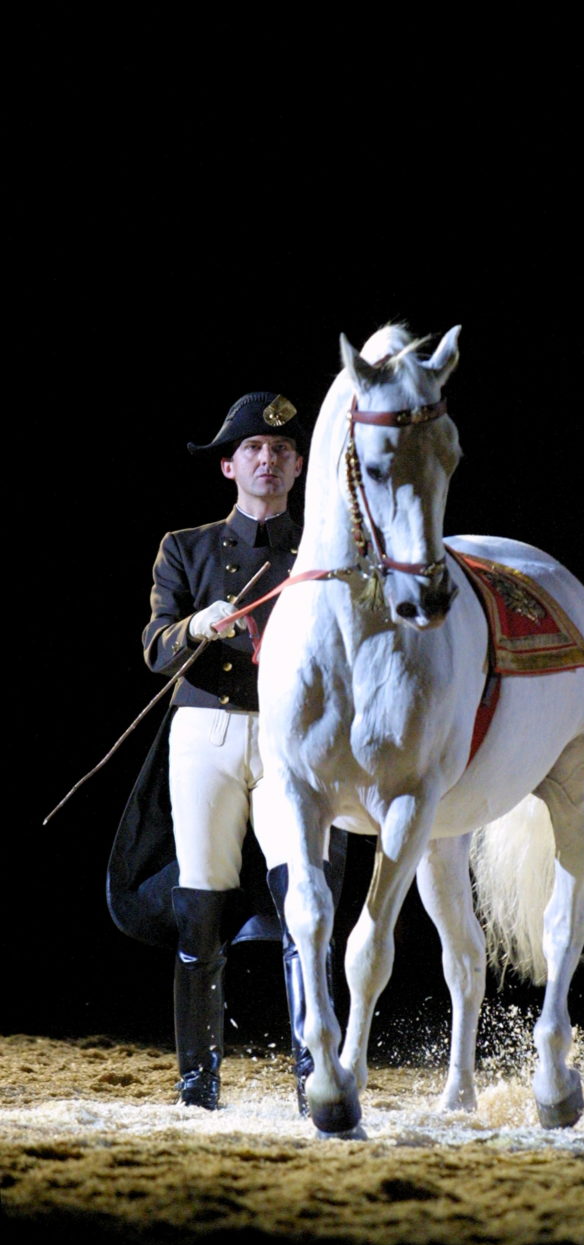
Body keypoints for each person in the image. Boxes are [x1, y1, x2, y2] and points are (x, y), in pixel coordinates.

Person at [107, 390, 347, 1113]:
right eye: (253, 449)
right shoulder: (184, 548)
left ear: (299, 466)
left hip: (290, 739)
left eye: (281, 449)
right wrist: (193, 628)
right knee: (201, 906)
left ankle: (315, 1076)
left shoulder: (323, 551)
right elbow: (155, 648)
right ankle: (197, 1086)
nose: (267, 458)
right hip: (204, 736)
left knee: (305, 900)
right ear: (229, 466)